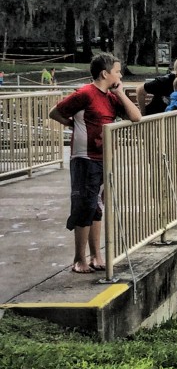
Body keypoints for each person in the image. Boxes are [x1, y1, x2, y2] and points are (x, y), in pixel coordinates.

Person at [48, 52, 142, 274]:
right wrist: (74, 125)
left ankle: (96, 255)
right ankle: (79, 259)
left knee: (97, 207)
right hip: (85, 158)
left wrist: (119, 92)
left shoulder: (110, 97)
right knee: (84, 207)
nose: (120, 75)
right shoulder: (85, 94)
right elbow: (55, 112)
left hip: (104, 158)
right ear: (105, 73)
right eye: (117, 71)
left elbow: (136, 116)